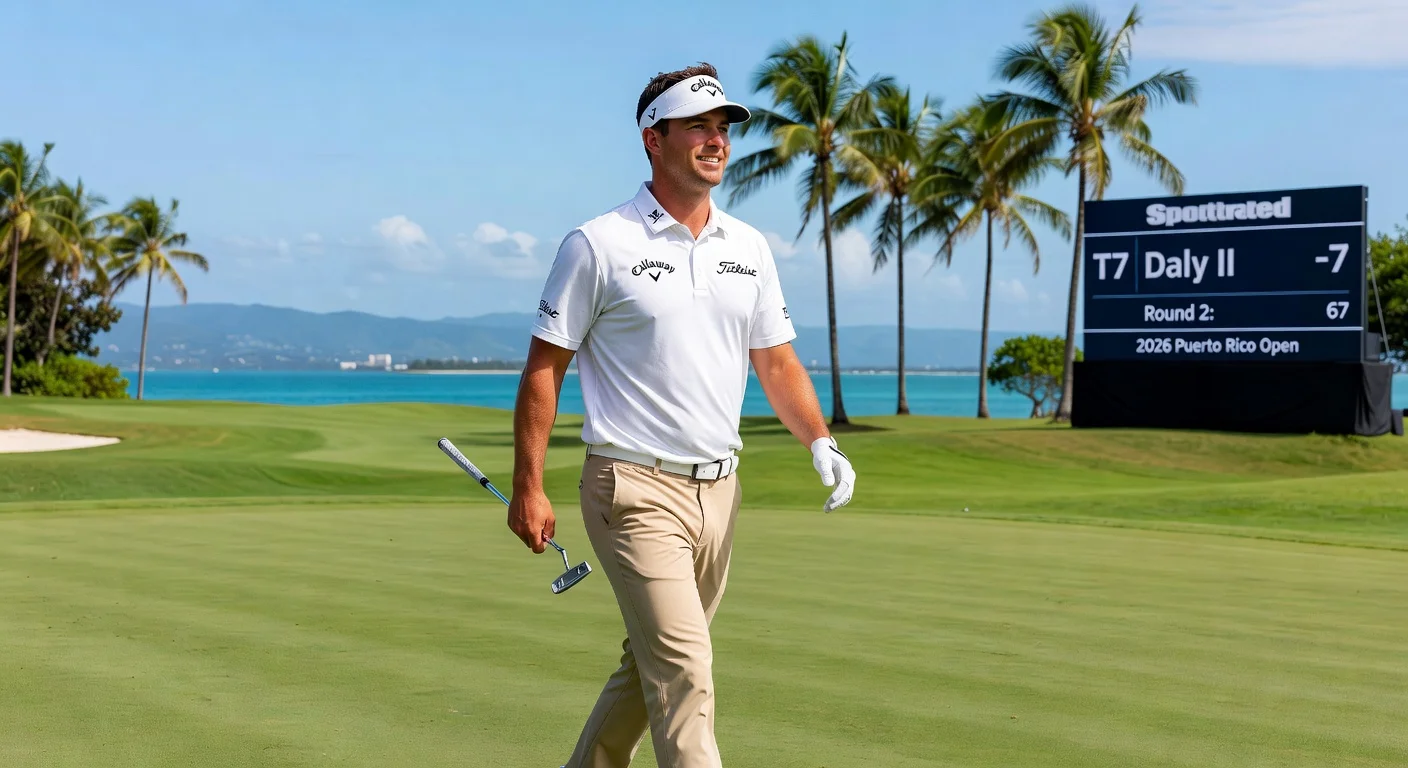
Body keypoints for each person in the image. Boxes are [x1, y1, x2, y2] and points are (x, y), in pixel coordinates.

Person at [509, 62, 857, 768]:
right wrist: (529, 484)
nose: (716, 140)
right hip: (631, 490)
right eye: (697, 125)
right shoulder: (598, 243)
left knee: (651, 669)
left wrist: (819, 439)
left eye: (723, 127)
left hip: (720, 495)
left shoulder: (749, 248)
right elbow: (545, 367)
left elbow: (777, 362)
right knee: (686, 675)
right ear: (653, 139)